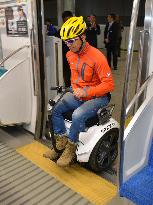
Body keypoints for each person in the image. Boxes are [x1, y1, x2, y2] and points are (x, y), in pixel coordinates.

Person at [43, 16, 114, 167]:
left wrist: (86, 91)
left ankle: (71, 147)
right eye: (66, 41)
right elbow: (75, 76)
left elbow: (109, 85)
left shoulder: (97, 57)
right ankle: (60, 144)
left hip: (99, 97)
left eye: (71, 40)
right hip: (79, 94)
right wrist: (75, 88)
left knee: (77, 114)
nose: (68, 45)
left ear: (83, 36)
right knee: (55, 109)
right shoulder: (70, 54)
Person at [57, 11, 73, 88]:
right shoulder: (60, 31)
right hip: (64, 57)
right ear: (63, 20)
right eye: (66, 20)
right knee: (66, 75)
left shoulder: (76, 30)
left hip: (76, 57)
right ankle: (68, 88)